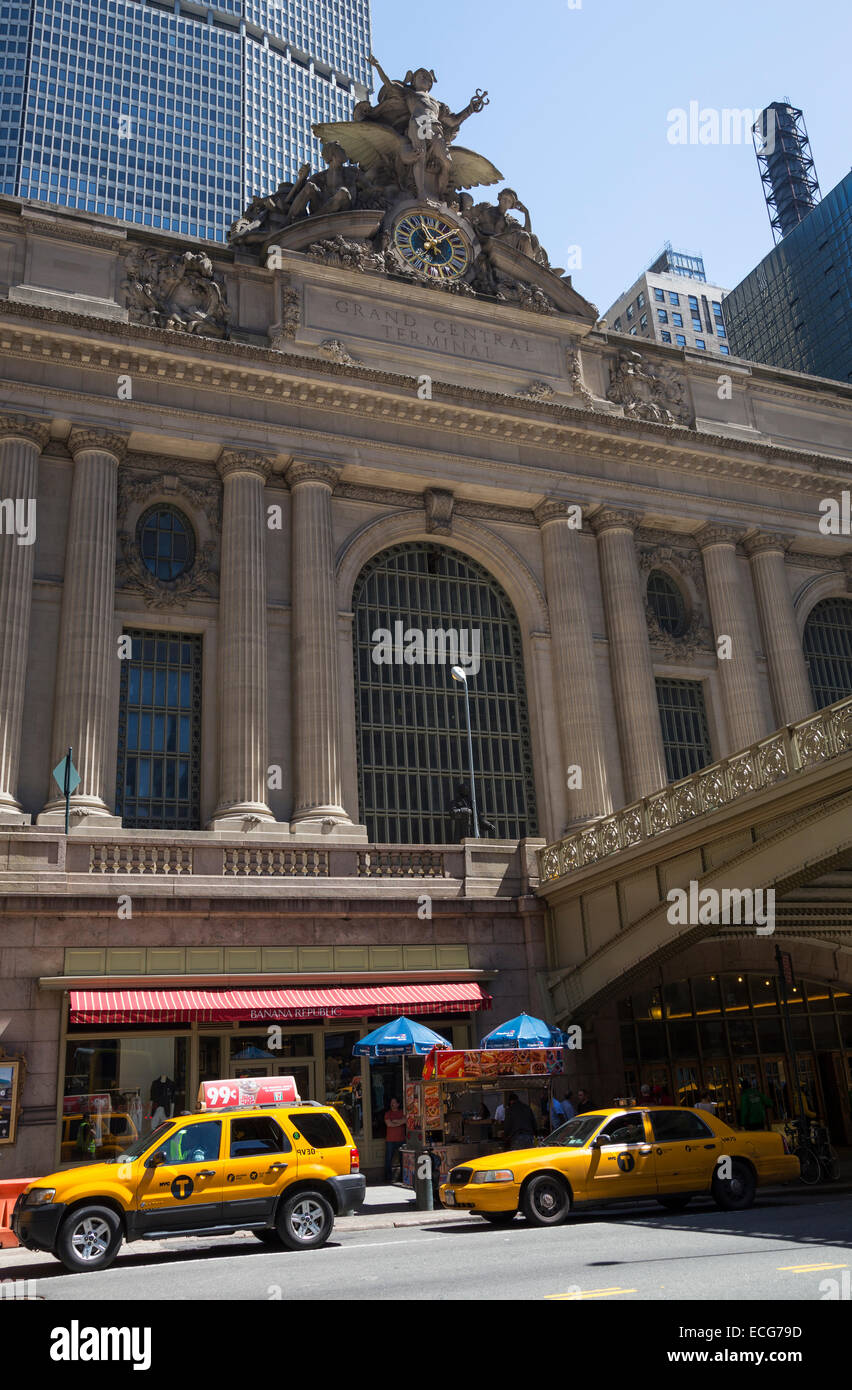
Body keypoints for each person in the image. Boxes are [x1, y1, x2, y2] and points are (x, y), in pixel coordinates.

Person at [383, 1097, 407, 1182]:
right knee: (388, 1160)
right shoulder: (387, 1113)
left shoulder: (402, 1112)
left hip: (401, 1139)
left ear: (398, 1104)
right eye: (391, 1103)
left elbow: (405, 1121)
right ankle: (388, 1178)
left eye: (394, 1103)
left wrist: (395, 1122)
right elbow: (389, 1124)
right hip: (390, 1140)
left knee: (402, 1160)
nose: (392, 1104)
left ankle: (403, 1178)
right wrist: (399, 1122)